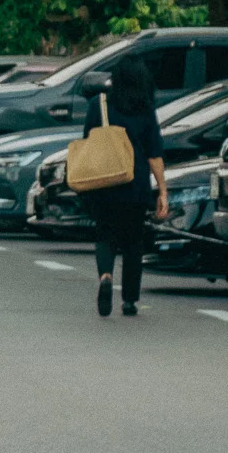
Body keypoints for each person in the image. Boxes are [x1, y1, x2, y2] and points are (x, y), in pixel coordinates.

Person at [81, 53, 169, 317]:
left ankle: (106, 276)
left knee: (105, 235)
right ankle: (129, 300)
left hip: (104, 182)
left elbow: (88, 140)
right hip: (135, 184)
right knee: (133, 242)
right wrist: (162, 191)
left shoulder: (100, 104)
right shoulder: (146, 109)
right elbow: (154, 154)